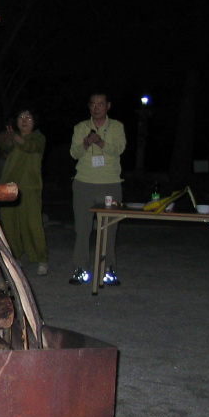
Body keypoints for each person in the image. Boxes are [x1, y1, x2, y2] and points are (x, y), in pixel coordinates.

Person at [69, 93, 125, 286]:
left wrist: (100, 142)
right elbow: (74, 153)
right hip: (84, 183)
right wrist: (85, 143)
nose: (97, 108)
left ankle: (108, 269)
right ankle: (80, 269)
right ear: (89, 106)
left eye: (101, 104)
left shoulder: (117, 127)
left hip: (110, 183)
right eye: (93, 104)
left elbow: (119, 148)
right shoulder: (80, 127)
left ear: (108, 106)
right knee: (82, 229)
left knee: (109, 229)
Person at [0, 108, 49, 275]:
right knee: (10, 224)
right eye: (20, 117)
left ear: (34, 121)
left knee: (33, 224)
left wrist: (16, 138)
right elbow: (4, 148)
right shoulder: (13, 137)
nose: (24, 120)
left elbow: (30, 147)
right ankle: (15, 257)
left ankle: (41, 258)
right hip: (10, 186)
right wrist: (9, 140)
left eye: (28, 117)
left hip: (30, 188)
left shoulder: (39, 138)